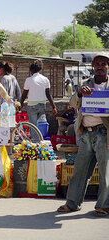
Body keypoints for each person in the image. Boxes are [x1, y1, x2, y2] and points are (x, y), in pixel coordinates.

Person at [57, 53, 109, 216]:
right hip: (86, 134)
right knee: (80, 171)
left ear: (108, 66)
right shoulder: (85, 84)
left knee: (105, 172)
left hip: (104, 133)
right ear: (93, 66)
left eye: (104, 63)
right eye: (97, 63)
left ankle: (103, 205)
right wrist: (79, 93)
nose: (100, 66)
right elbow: (72, 103)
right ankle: (72, 203)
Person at [19, 60, 57, 126]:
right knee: (41, 125)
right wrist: (54, 107)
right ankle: (41, 136)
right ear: (40, 69)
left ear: (31, 70)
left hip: (32, 106)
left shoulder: (29, 80)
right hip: (42, 105)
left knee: (33, 127)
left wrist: (20, 104)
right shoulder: (45, 79)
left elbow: (24, 94)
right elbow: (48, 94)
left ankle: (35, 137)